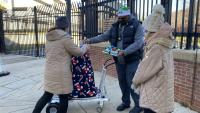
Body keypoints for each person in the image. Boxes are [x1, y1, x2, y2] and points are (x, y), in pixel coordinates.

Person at [84, 6, 144, 113]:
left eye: (123, 17)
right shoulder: (115, 26)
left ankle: (138, 105)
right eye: (119, 17)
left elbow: (138, 43)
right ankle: (126, 102)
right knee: (122, 81)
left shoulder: (137, 25)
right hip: (119, 59)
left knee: (131, 82)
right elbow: (103, 36)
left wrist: (124, 52)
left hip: (132, 59)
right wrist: (89, 40)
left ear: (128, 15)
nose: (120, 19)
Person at [32, 16, 89, 113]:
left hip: (49, 71)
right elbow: (78, 52)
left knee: (47, 95)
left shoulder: (50, 37)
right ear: (67, 26)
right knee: (63, 97)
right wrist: (85, 47)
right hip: (61, 74)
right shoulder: (65, 38)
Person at [132, 4, 174, 113]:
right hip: (162, 92)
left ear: (152, 31)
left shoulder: (156, 48)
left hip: (154, 96)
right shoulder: (165, 44)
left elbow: (144, 71)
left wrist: (135, 82)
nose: (144, 34)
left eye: (146, 31)